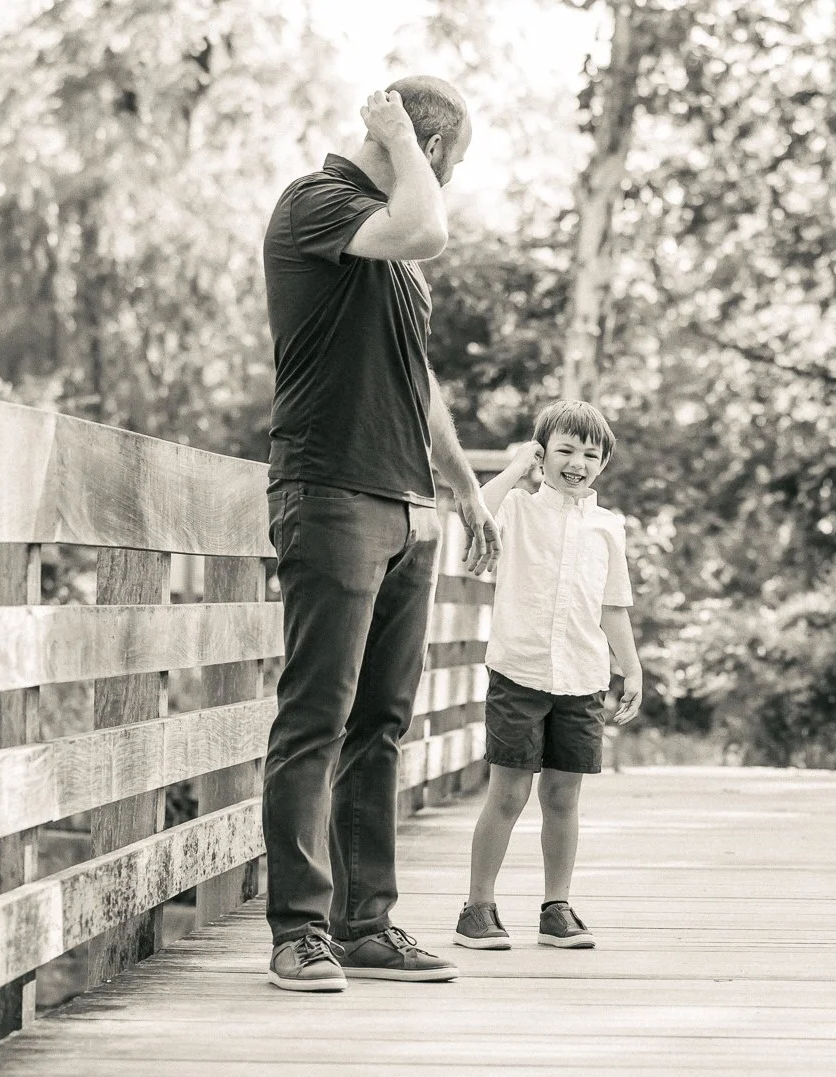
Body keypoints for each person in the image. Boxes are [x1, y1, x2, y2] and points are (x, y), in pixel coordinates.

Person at [260, 78, 499, 993]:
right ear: (430, 154)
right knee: (316, 715)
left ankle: (366, 925)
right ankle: (298, 931)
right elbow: (428, 228)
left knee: (382, 725)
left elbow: (418, 378)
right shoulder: (318, 203)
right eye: (456, 163)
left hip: (405, 504)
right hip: (330, 492)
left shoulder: (389, 245)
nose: (453, 182)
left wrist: (465, 488)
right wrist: (402, 137)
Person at [453, 401, 642, 951]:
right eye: (563, 450)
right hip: (521, 672)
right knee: (508, 795)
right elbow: (474, 511)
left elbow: (613, 606)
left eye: (590, 453)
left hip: (583, 679)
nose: (577, 462)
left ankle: (555, 906)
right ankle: (477, 907)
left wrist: (629, 667)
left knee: (562, 797)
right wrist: (515, 467)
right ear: (543, 455)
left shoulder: (609, 527)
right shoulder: (516, 507)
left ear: (603, 462)